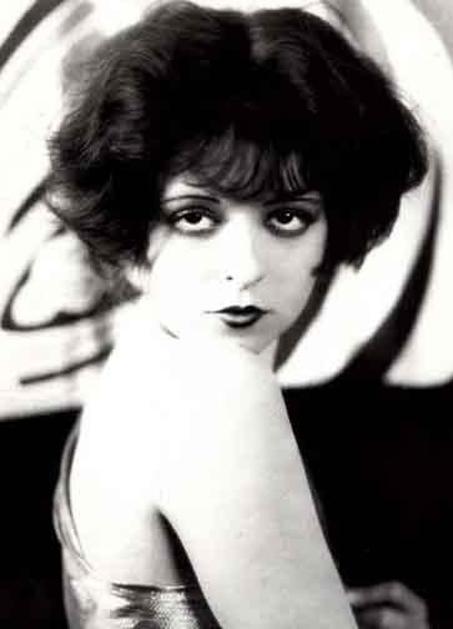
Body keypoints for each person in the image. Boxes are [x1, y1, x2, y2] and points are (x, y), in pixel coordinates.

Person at [47, 1, 427, 627]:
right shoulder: (220, 391)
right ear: (136, 227)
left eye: (287, 217)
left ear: (334, 227)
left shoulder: (146, 350)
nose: (245, 267)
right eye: (196, 217)